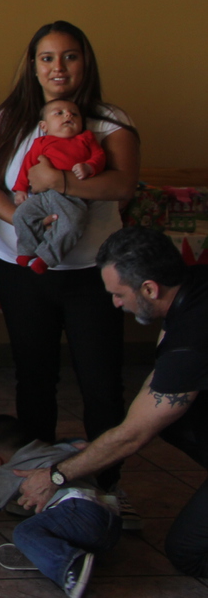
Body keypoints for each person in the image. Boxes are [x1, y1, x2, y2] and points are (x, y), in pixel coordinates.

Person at [0, 21, 138, 507]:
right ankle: (40, 486)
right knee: (34, 379)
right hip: (23, 269)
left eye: (70, 56)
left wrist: (59, 184)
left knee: (101, 384)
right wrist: (29, 222)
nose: (58, 67)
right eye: (47, 57)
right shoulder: (10, 118)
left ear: (85, 62)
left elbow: (122, 185)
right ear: (33, 66)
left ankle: (106, 487)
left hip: (94, 276)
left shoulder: (109, 121)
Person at [15, 227, 208, 578]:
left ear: (149, 289)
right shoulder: (195, 284)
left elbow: (135, 434)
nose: (116, 304)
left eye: (119, 294)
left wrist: (57, 474)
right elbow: (152, 394)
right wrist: (99, 448)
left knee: (187, 552)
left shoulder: (191, 342)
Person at [0, 414, 120, 598]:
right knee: (53, 527)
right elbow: (79, 443)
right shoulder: (59, 449)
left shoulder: (12, 470)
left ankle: (70, 565)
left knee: (25, 532)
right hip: (110, 522)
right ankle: (52, 555)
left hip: (79, 511)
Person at [9, 99, 106, 273]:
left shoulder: (85, 138)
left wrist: (89, 166)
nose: (68, 115)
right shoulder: (41, 142)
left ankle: (47, 257)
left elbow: (99, 156)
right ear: (44, 126)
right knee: (21, 215)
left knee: (71, 226)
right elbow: (27, 165)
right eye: (59, 113)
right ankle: (27, 249)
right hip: (44, 196)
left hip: (73, 197)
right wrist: (21, 189)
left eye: (74, 114)